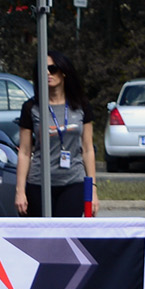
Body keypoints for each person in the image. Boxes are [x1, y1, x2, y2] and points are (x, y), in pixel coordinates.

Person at [15, 49, 95, 217]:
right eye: (42, 70)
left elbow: (88, 149)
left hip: (73, 182)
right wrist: (20, 191)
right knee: (41, 233)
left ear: (64, 72)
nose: (47, 73)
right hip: (39, 183)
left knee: (67, 231)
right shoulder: (31, 107)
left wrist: (92, 190)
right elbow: (24, 152)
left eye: (52, 69)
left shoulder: (81, 105)